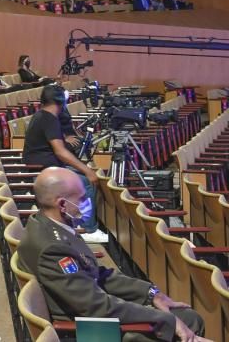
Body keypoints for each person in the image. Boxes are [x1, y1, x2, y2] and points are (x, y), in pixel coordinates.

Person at [18, 167, 206, 342]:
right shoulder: (52, 247)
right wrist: (164, 318)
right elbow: (95, 306)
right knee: (188, 320)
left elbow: (98, 274)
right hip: (85, 330)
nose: (88, 203)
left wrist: (151, 293)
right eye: (82, 199)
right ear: (62, 204)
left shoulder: (49, 225)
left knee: (184, 317)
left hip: (90, 313)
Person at [21, 85, 106, 243]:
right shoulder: (49, 118)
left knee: (81, 176)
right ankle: (88, 230)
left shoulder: (42, 115)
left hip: (46, 167)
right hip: (44, 171)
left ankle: (77, 223)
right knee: (86, 183)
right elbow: (60, 151)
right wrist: (87, 170)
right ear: (61, 102)